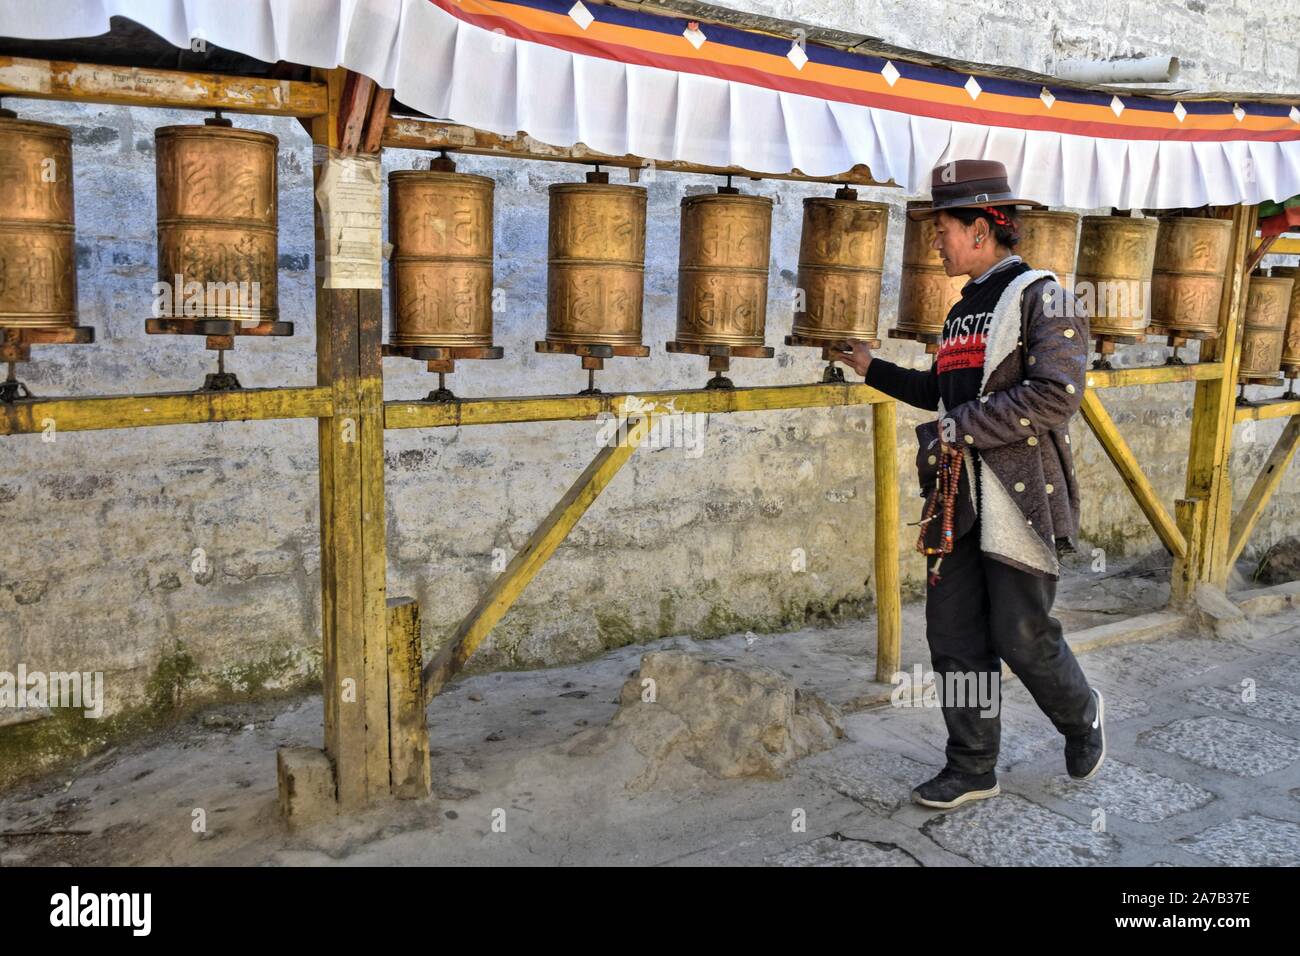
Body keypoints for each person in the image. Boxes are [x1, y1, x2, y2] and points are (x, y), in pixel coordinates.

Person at [836, 159, 1105, 809]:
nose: (935, 240)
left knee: (1021, 634)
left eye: (943, 227)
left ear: (983, 228)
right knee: (953, 637)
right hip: (958, 500)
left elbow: (1055, 397)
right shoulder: (964, 311)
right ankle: (973, 766)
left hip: (1019, 497)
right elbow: (941, 391)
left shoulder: (1046, 298)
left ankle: (1080, 714)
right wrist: (873, 369)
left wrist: (957, 428)